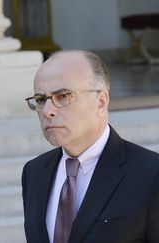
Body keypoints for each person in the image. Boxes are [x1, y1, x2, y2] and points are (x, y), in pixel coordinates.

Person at [22, 50, 159, 243]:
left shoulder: (150, 173)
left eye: (63, 96)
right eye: (41, 100)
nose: (47, 111)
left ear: (101, 102)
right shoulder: (34, 172)